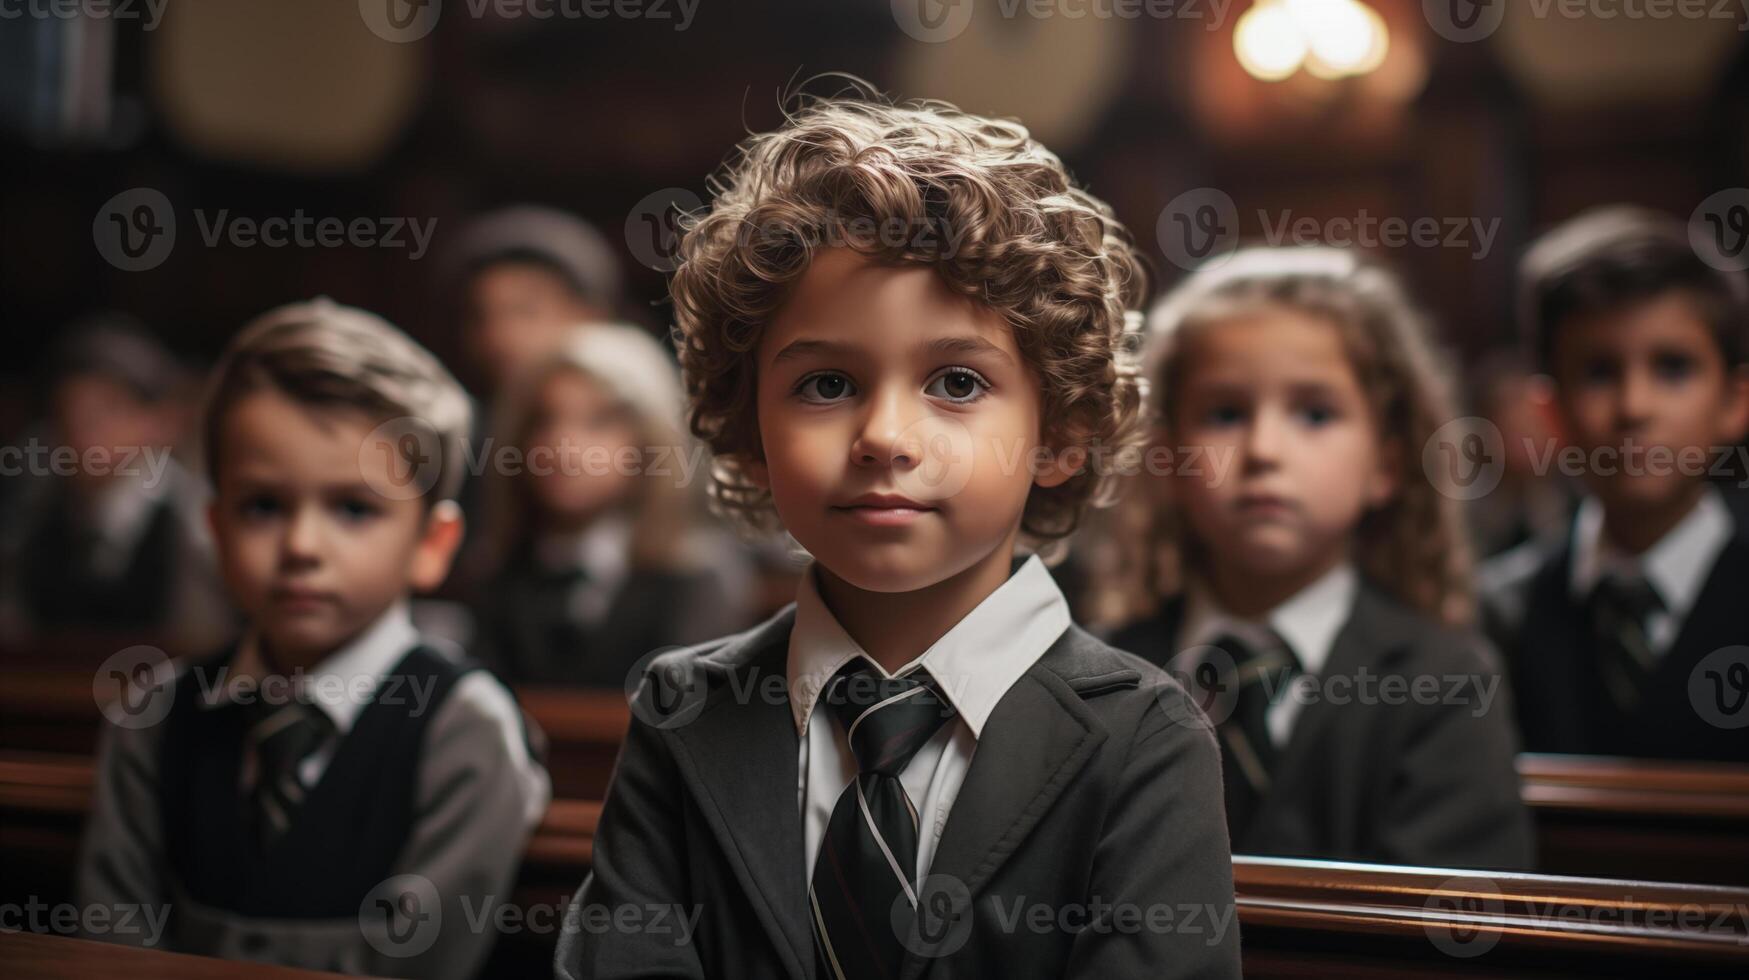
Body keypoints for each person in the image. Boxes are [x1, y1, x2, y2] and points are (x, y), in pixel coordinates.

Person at [556, 91, 1241, 979]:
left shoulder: (1144, 738)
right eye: (826, 386)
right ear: (746, 428)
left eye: (956, 382)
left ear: (1061, 432)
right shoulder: (681, 708)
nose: (883, 435)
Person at [74, 298, 550, 978]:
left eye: (353, 509)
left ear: (431, 544)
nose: (301, 545)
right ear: (214, 526)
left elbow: (415, 965)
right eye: (263, 505)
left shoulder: (465, 730)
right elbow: (107, 951)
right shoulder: (151, 716)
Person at [1109, 247, 1534, 871]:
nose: (1263, 450)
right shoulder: (1105, 675)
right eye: (1225, 413)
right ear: (1166, 458)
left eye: (1315, 413)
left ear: (1386, 465)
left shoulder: (1445, 680)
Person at [1480, 206, 1749, 761]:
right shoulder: (1495, 616)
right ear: (1550, 412)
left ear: (1734, 402)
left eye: (1673, 368)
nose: (1634, 407)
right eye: (1599, 372)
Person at [465, 323, 756, 685]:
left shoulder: (696, 578)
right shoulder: (499, 574)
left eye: (598, 422)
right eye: (544, 419)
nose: (562, 445)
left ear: (650, 441)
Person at [0, 314, 234, 652]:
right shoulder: (36, 515)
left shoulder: (190, 522)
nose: (82, 432)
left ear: (161, 421)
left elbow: (204, 643)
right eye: (67, 413)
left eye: (106, 412)